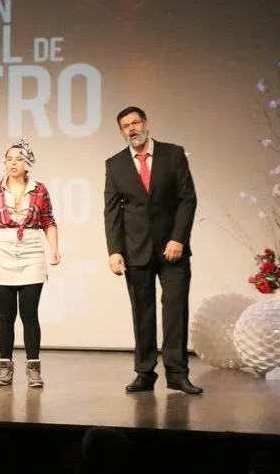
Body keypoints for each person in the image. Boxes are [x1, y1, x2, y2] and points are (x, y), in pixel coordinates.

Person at [103, 106, 202, 394]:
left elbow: (187, 199)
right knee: (142, 313)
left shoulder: (173, 154)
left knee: (175, 310)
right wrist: (114, 250)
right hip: (135, 251)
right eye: (125, 126)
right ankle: (145, 373)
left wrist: (178, 238)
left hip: (173, 249)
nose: (132, 129)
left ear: (146, 123)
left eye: (136, 122)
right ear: (121, 131)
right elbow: (112, 212)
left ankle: (177, 373)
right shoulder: (115, 164)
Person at [0, 138, 60, 387]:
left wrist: (54, 249)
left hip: (31, 247)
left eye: (18, 159)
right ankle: (5, 368)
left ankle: (34, 368)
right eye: (9, 159)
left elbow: (48, 221)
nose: (13, 163)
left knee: (30, 314)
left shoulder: (40, 189)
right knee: (6, 315)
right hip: (2, 247)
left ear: (28, 163)